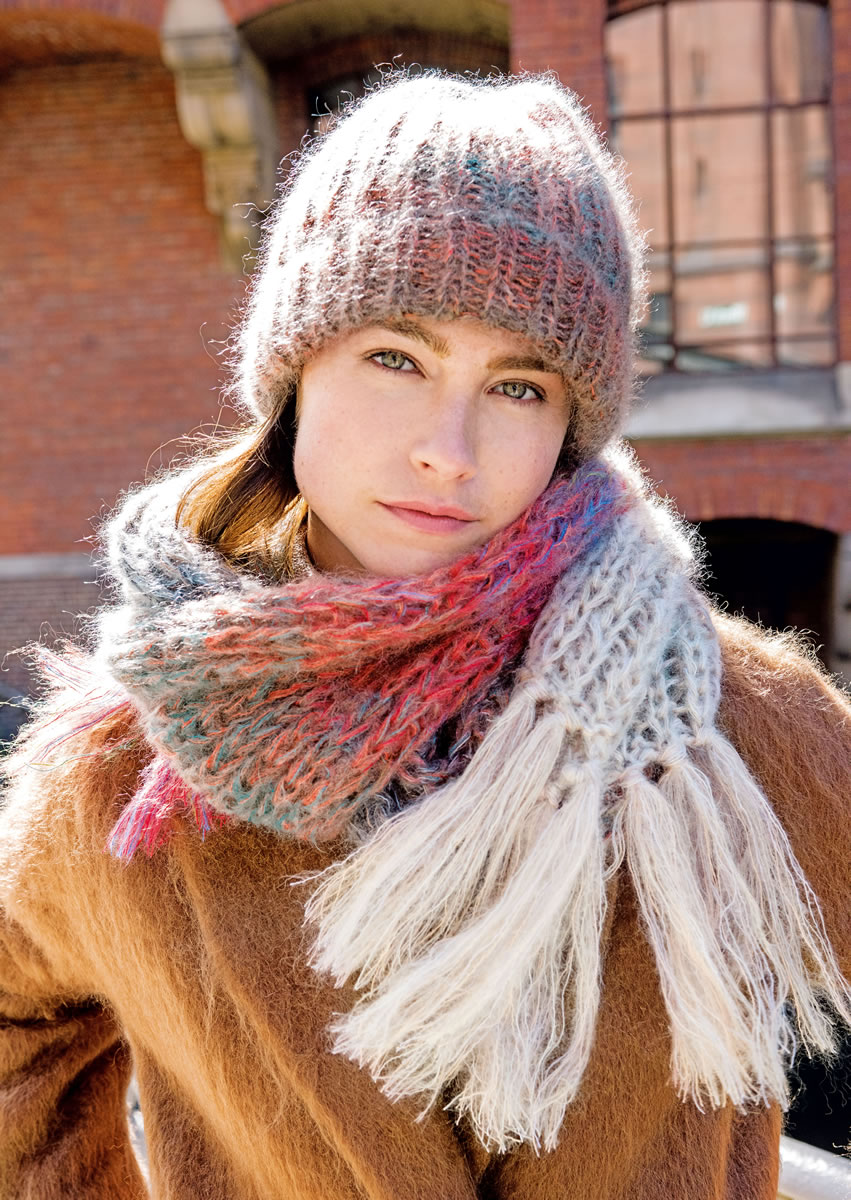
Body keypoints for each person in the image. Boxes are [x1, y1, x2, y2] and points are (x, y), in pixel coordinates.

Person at [1, 70, 850, 1200]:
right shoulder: (119, 770)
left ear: (569, 427)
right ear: (295, 375)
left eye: (518, 386)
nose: (448, 450)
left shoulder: (727, 731)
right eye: (395, 359)